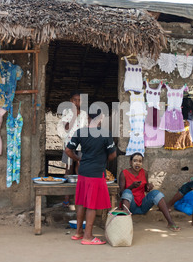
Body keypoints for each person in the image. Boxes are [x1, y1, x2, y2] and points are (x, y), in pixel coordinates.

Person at [65, 109, 116, 245]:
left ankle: (78, 233)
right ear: (100, 118)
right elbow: (113, 155)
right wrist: (103, 159)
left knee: (81, 202)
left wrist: (78, 159)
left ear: (88, 117)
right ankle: (88, 237)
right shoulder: (105, 134)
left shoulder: (80, 132)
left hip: (83, 172)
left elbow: (68, 150)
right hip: (96, 173)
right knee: (91, 205)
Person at [119, 152, 180, 232]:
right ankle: (125, 224)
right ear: (130, 162)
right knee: (127, 191)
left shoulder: (144, 172)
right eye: (135, 161)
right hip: (130, 207)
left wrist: (148, 188)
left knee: (156, 193)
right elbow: (121, 194)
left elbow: (145, 189)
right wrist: (131, 187)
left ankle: (170, 222)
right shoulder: (124, 173)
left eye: (140, 161)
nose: (137, 163)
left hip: (143, 206)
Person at [57, 91, 88, 206]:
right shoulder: (67, 112)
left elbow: (85, 129)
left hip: (81, 145)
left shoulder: (84, 114)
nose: (77, 102)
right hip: (69, 144)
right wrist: (74, 116)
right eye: (75, 100)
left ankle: (79, 197)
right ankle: (66, 198)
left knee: (80, 169)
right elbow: (66, 128)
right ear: (71, 101)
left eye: (79, 100)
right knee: (69, 169)